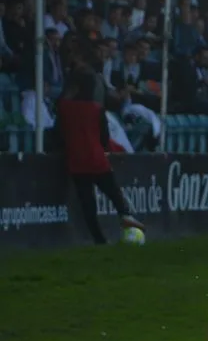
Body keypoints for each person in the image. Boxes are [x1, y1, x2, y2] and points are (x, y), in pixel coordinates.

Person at [54, 63, 145, 244]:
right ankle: (125, 214)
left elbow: (58, 134)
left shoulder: (64, 107)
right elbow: (104, 139)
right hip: (96, 159)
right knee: (113, 191)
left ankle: (99, 239)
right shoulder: (96, 109)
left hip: (77, 161)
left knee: (87, 203)